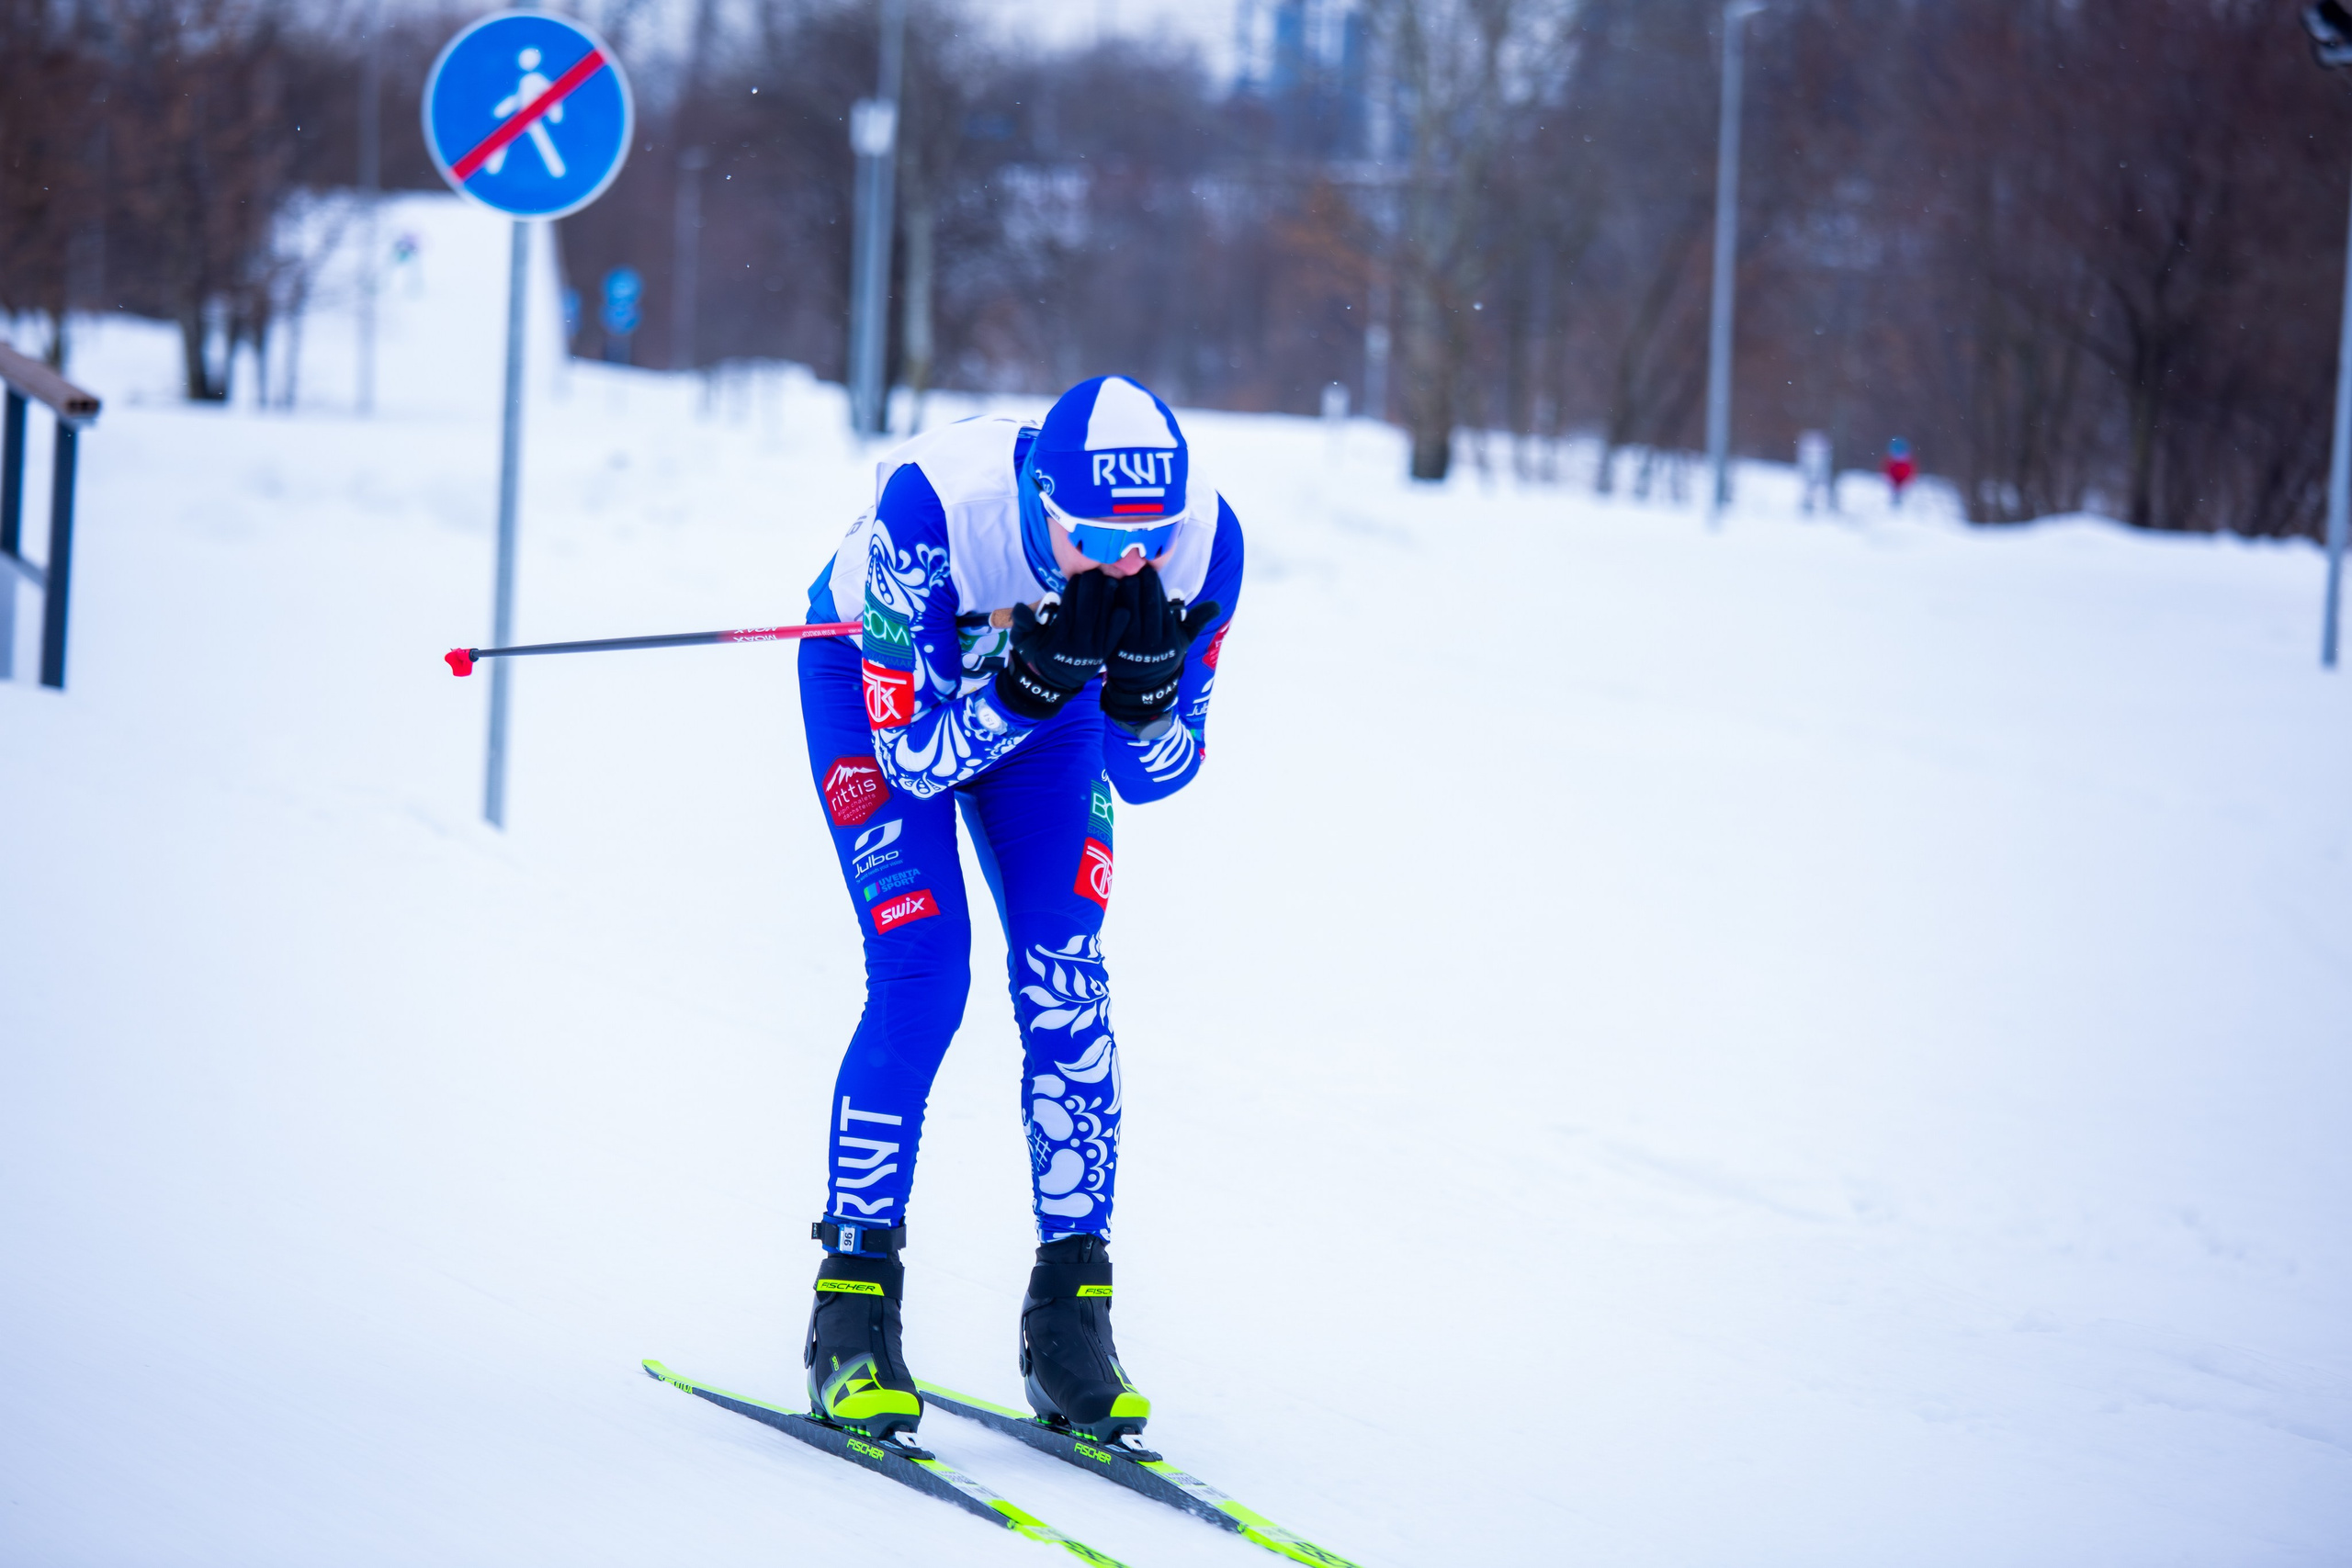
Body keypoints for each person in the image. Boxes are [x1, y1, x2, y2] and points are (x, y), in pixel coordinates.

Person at [794, 376, 1243, 1450]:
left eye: (1152, 536)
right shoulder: (935, 510)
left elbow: (1162, 775)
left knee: (1066, 982)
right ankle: (852, 1305)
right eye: (1097, 535)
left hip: (1049, 709)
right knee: (923, 975)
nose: (1129, 561)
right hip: (881, 695)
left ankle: (1071, 1315)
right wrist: (1025, 689)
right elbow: (911, 757)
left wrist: (1136, 709)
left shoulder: (1206, 544)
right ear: (1045, 500)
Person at [1883, 436, 1917, 509]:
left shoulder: (1905, 460)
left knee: (1900, 490)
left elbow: (1910, 470)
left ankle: (1898, 501)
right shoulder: (1893, 460)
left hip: (1902, 478)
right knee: (1896, 490)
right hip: (1896, 478)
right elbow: (1888, 469)